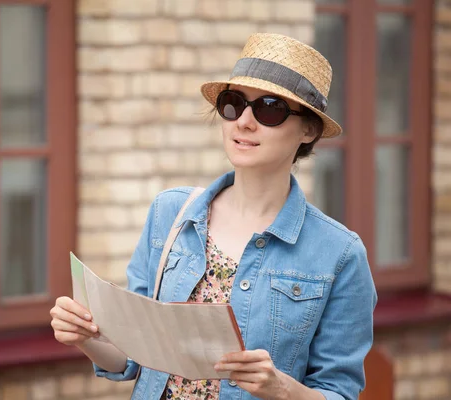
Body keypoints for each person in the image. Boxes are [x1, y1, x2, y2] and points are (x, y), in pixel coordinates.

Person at [50, 32, 377, 400]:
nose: (245, 122)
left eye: (270, 108)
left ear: (309, 129)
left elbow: (340, 392)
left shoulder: (340, 254)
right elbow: (130, 359)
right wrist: (87, 337)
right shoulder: (170, 214)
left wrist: (281, 388)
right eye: (234, 104)